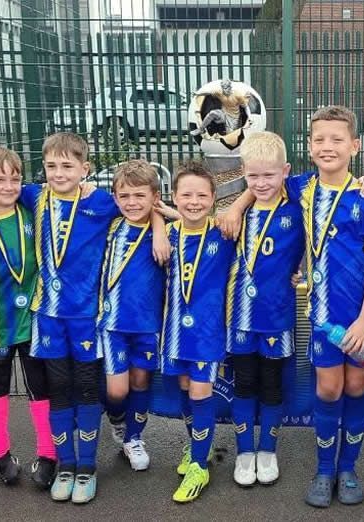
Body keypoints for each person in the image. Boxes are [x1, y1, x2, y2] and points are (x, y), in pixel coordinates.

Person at [0, 133, 170, 503]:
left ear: (84, 169)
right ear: (43, 169)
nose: (58, 173)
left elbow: (144, 208)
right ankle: (66, 464)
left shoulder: (99, 201)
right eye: (51, 166)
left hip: (87, 318)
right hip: (47, 318)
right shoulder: (34, 196)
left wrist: (159, 229)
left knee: (87, 390)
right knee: (59, 391)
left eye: (67, 166)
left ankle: (88, 467)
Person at [223, 105, 364, 509]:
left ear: (355, 145)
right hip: (323, 315)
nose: (327, 146)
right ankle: (323, 470)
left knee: (357, 386)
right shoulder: (300, 187)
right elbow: (263, 177)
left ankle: (347, 469)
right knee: (330, 388)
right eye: (319, 139)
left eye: (336, 139)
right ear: (310, 146)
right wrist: (236, 205)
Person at [0, 146, 55, 488]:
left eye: (15, 178)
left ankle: (48, 454)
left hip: (32, 320)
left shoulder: (30, 206)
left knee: (40, 389)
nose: (8, 186)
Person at [226, 132, 304, 487]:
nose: (261, 183)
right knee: (244, 384)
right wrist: (238, 204)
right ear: (243, 172)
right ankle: (244, 452)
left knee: (272, 386)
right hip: (239, 317)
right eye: (253, 176)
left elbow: (335, 181)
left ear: (285, 171)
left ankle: (267, 451)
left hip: (277, 317)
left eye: (269, 175)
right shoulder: (232, 214)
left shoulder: (298, 202)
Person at [160, 161, 236, 503]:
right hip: (174, 331)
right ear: (174, 197)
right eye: (186, 194)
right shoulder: (165, 236)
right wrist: (157, 222)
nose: (193, 201)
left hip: (208, 332)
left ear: (214, 198)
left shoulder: (224, 232)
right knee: (185, 388)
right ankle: (195, 448)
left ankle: (199, 467)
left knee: (201, 392)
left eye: (201, 195)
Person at [98, 159, 166, 471]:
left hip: (148, 324)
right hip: (112, 324)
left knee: (140, 381)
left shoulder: (167, 231)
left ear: (155, 196)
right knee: (117, 390)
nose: (131, 202)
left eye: (140, 196)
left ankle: (134, 438)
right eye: (124, 196)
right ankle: (116, 418)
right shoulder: (110, 223)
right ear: (114, 198)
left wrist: (160, 223)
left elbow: (195, 220)